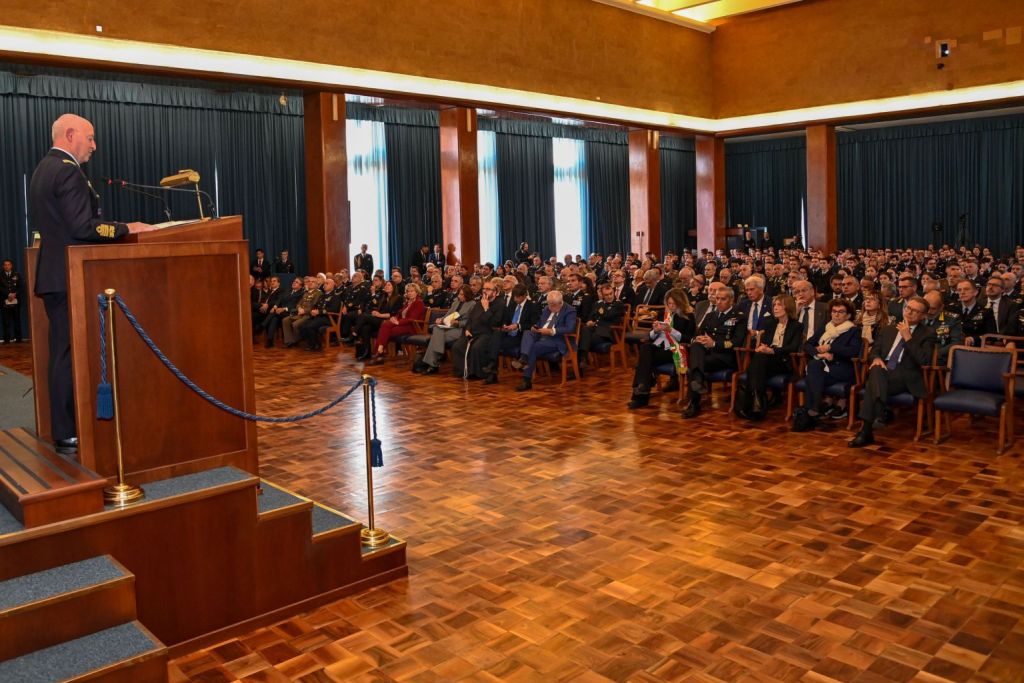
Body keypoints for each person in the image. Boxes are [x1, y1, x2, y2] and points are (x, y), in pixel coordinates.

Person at [29, 113, 153, 455]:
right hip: (70, 275)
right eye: (90, 137)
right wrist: (129, 228)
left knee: (61, 354)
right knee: (67, 356)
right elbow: (84, 227)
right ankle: (68, 430)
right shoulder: (67, 170)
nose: (94, 146)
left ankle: (64, 429)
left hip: (55, 274)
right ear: (71, 135)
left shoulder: (43, 168)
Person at [849, 297, 936, 448]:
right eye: (908, 308)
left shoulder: (927, 333)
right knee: (876, 369)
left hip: (905, 375)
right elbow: (874, 350)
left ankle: (866, 431)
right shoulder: (889, 328)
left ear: (923, 316)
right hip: (884, 370)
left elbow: (924, 360)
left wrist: (908, 337)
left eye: (915, 311)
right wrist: (876, 358)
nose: (909, 312)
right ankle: (879, 413)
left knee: (872, 383)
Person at [792, 299, 861, 431]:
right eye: (834, 311)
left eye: (841, 312)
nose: (836, 314)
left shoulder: (853, 331)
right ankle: (815, 409)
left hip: (842, 368)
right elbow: (807, 345)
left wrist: (831, 347)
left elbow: (853, 351)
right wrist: (819, 354)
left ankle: (813, 410)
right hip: (822, 366)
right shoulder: (826, 327)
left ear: (848, 315)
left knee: (812, 373)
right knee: (814, 365)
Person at [683, 287, 747, 418]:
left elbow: (736, 342)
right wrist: (699, 339)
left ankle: (694, 402)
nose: (718, 302)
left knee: (693, 368)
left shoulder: (739, 317)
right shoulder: (710, 316)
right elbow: (698, 334)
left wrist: (714, 344)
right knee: (696, 345)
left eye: (723, 299)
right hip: (707, 355)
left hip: (726, 357)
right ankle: (697, 386)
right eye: (717, 298)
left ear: (731, 300)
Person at [735, 295, 802, 420]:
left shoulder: (796, 326)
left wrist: (772, 350)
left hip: (784, 361)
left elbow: (793, 347)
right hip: (767, 361)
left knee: (756, 363)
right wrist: (762, 347)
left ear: (788, 307)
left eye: (779, 305)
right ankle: (757, 400)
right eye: (774, 305)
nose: (775, 308)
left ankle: (753, 403)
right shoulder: (770, 324)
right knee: (760, 358)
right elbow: (764, 342)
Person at [627, 289, 694, 409]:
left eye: (674, 304)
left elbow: (688, 339)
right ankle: (643, 386)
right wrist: (655, 331)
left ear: (681, 303)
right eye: (669, 303)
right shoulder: (663, 314)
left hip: (676, 350)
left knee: (643, 362)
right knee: (646, 348)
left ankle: (640, 395)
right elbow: (651, 336)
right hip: (660, 347)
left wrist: (671, 330)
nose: (671, 306)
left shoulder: (688, 316)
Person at [511, 290, 577, 392]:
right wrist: (535, 327)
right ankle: (524, 358)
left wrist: (552, 331)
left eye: (553, 305)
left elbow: (570, 328)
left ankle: (526, 380)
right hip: (541, 334)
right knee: (527, 332)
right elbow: (540, 322)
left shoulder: (569, 310)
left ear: (560, 303)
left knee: (534, 347)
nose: (550, 308)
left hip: (558, 339)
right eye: (549, 305)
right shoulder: (547, 308)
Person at [369, 282, 425, 364]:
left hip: (412, 327)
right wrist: (394, 318)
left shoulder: (419, 303)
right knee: (385, 324)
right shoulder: (407, 302)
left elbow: (412, 319)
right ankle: (379, 351)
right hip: (403, 325)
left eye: (412, 291)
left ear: (417, 292)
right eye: (408, 291)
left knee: (385, 328)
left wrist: (398, 322)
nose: (409, 293)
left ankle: (378, 353)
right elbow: (399, 314)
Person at [1, 259, 24, 344]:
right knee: (6, 321)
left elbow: (21, 286)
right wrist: (8, 294)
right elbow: (0, 287)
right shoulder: (0, 275)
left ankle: (18, 339)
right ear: (3, 266)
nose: (7, 266)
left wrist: (15, 294)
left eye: (8, 264)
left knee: (17, 320)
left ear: (11, 266)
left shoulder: (17, 274)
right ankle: (7, 339)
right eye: (5, 265)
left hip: (16, 300)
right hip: (5, 301)